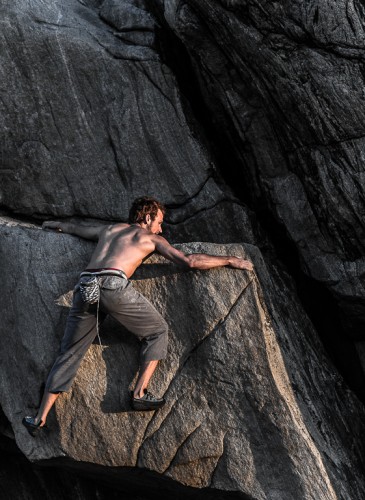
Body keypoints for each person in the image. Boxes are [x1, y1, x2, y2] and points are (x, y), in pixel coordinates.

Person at [22, 196, 253, 436]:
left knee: (69, 352)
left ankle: (39, 418)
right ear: (148, 217)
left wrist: (52, 224)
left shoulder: (110, 229)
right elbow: (189, 261)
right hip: (112, 285)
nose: (161, 228)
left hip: (85, 286)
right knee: (157, 331)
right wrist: (229, 260)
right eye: (160, 221)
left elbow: (76, 228)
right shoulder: (150, 239)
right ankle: (140, 393)